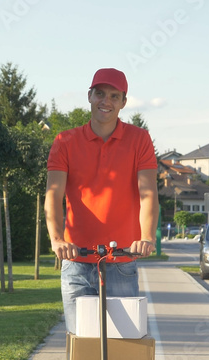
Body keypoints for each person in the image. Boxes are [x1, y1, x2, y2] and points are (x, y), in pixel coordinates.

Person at [45, 68, 159, 334]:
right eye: (99, 93)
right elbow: (54, 194)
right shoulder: (65, 141)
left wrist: (147, 237)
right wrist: (57, 238)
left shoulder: (139, 140)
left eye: (114, 96)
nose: (105, 101)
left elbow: (148, 194)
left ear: (123, 103)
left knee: (123, 347)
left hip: (121, 262)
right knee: (82, 347)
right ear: (89, 96)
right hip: (77, 261)